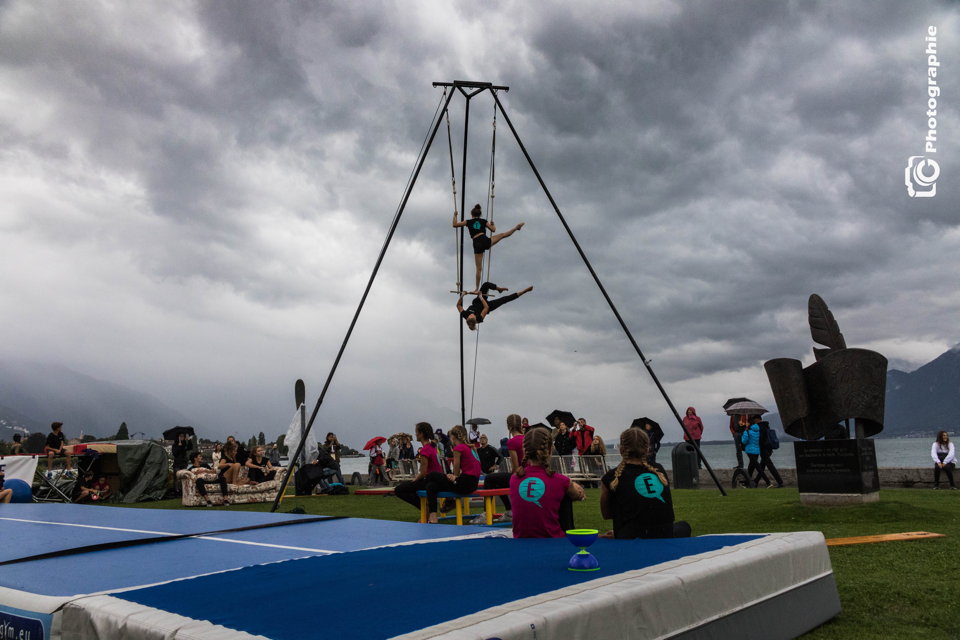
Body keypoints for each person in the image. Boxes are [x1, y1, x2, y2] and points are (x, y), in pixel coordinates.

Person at [601, 428, 690, 539]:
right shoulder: (658, 470)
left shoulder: (611, 477)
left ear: (621, 449)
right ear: (647, 449)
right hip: (664, 534)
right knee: (684, 526)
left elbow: (607, 514)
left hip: (630, 536)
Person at [510, 427, 585, 538]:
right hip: (552, 539)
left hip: (521, 539)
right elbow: (578, 495)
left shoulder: (514, 479)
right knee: (566, 496)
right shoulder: (560, 481)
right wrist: (571, 484)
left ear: (525, 451)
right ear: (550, 450)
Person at [452, 203, 525, 290]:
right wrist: (493, 224)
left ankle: (476, 289)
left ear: (472, 215)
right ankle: (516, 228)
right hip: (485, 240)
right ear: (480, 215)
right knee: (503, 235)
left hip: (476, 243)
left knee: (478, 269)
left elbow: (454, 225)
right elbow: (493, 230)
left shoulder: (468, 221)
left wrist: (455, 215)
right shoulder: (484, 221)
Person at [423, 425, 482, 524]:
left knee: (432, 475)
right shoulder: (471, 448)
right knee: (431, 486)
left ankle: (447, 501)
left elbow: (456, 467)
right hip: (473, 483)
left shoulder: (459, 448)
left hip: (465, 482)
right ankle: (433, 516)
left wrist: (454, 477)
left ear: (453, 437)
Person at [394, 422, 445, 512]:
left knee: (399, 490)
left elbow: (423, 473)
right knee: (410, 486)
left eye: (416, 432)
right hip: (437, 480)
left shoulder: (425, 450)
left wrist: (414, 480)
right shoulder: (432, 447)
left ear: (421, 434)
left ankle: (425, 508)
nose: (415, 434)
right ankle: (425, 507)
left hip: (430, 481)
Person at [457, 282, 534, 331]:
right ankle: (524, 291)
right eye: (472, 316)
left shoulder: (465, 315)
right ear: (475, 319)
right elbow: (486, 308)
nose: (471, 315)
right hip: (487, 306)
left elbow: (458, 305)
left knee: (486, 284)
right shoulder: (479, 318)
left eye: (469, 316)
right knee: (504, 299)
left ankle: (499, 289)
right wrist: (480, 296)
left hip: (477, 302)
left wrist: (462, 295)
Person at [756, 421, 784, 488]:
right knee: (762, 466)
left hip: (764, 449)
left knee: (769, 465)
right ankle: (755, 482)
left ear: (757, 419)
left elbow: (761, 440)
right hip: (769, 449)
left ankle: (780, 482)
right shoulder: (766, 427)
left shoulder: (761, 428)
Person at [741, 416, 764, 484]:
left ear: (749, 423)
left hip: (750, 450)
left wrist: (744, 433)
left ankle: (768, 482)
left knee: (755, 466)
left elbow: (744, 441)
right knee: (751, 466)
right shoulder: (758, 431)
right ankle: (748, 481)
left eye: (747, 423)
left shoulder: (747, 431)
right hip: (757, 451)